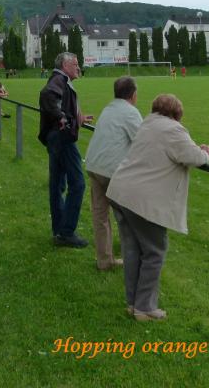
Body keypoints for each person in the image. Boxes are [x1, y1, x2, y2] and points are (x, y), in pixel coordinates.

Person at [106, 94, 209, 322]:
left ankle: (134, 303)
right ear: (177, 114)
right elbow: (194, 157)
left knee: (133, 249)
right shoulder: (173, 130)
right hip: (140, 200)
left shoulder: (148, 124)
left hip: (121, 191)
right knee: (154, 251)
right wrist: (206, 152)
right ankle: (145, 308)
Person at [84, 76, 142, 271]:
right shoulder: (130, 113)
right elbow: (142, 142)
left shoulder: (108, 108)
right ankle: (135, 258)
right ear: (133, 95)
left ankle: (104, 261)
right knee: (128, 216)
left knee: (100, 215)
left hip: (94, 166)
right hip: (111, 171)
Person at [39, 52, 93, 248]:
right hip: (62, 138)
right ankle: (67, 232)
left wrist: (78, 118)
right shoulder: (59, 79)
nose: (78, 68)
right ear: (64, 65)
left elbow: (60, 103)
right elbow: (47, 96)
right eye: (75, 64)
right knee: (78, 184)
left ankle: (59, 231)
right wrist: (62, 118)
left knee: (57, 185)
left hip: (56, 138)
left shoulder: (61, 80)